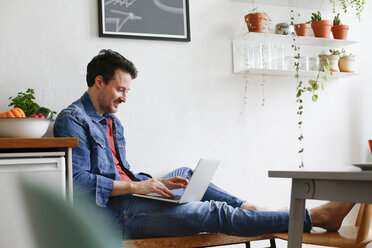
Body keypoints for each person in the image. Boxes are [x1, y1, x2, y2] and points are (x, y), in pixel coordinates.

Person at [54, 49, 355, 240]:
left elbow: (120, 172)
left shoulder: (111, 121)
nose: (124, 98)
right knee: (213, 212)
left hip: (132, 195)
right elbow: (77, 183)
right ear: (98, 82)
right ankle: (313, 217)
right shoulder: (72, 120)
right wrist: (138, 188)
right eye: (120, 89)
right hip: (112, 213)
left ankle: (250, 207)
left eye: (127, 91)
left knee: (186, 172)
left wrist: (151, 184)